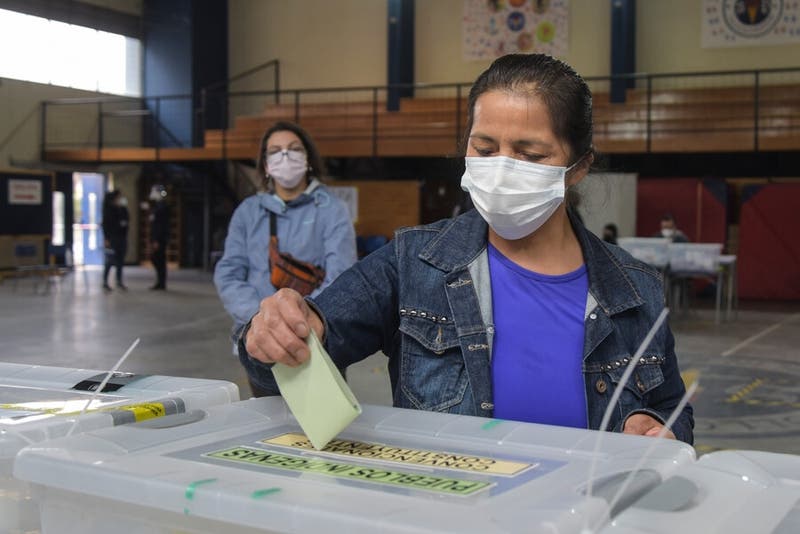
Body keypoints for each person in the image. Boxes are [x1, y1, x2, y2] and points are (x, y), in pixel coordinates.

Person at [239, 54, 694, 444]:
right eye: (485, 147)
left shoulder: (635, 291)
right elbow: (286, 358)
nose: (500, 169)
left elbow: (673, 409)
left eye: (530, 155)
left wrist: (653, 425)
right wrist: (273, 335)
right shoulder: (412, 264)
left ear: (578, 167)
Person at [214, 121, 357, 398]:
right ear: (266, 166)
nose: (285, 157)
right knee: (270, 429)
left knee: (325, 429)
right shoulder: (248, 211)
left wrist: (302, 321)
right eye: (275, 151)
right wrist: (263, 319)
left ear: (308, 160)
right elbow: (229, 272)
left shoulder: (332, 210)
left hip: (315, 339)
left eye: (293, 150)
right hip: (260, 341)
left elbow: (342, 274)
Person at [101, 189, 129, 291]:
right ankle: (105, 281)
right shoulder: (109, 210)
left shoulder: (122, 209)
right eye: (119, 197)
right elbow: (106, 225)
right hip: (112, 238)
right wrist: (106, 238)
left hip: (122, 238)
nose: (121, 199)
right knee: (110, 260)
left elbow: (126, 222)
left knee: (120, 261)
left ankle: (119, 281)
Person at [148, 184, 170, 290]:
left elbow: (161, 226)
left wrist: (156, 239)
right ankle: (160, 282)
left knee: (159, 259)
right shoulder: (157, 206)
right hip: (156, 238)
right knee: (156, 259)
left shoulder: (162, 207)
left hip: (159, 239)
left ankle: (162, 282)